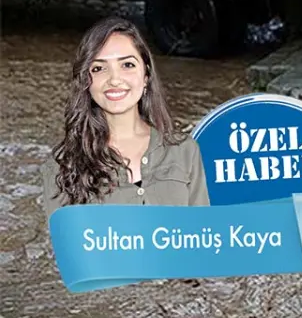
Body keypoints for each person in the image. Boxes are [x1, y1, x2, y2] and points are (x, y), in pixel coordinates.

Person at [41, 16, 209, 216]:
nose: (114, 79)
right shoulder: (61, 167)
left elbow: (202, 237)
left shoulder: (184, 150)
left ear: (146, 76)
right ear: (86, 82)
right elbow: (65, 245)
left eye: (127, 65)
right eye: (99, 68)